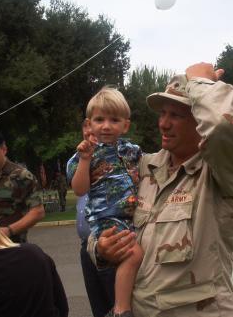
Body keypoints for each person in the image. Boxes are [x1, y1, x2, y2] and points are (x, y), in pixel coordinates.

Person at [91, 62, 233, 317]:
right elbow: (105, 211)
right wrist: (100, 248)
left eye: (177, 115)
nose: (163, 124)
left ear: (200, 120)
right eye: (162, 114)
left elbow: (225, 127)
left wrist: (201, 81)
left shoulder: (220, 174)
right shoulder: (143, 167)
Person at [67, 87, 143, 317]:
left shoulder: (132, 151)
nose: (106, 126)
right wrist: (85, 160)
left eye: (114, 119)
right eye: (99, 120)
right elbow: (80, 189)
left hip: (133, 219)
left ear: (125, 125)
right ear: (89, 124)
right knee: (134, 254)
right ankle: (120, 309)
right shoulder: (84, 154)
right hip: (106, 220)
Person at [71, 122, 116, 317]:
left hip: (112, 242)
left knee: (118, 304)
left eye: (94, 125)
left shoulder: (119, 155)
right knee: (98, 307)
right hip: (87, 247)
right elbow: (79, 190)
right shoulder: (76, 160)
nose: (91, 132)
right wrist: (84, 159)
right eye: (86, 127)